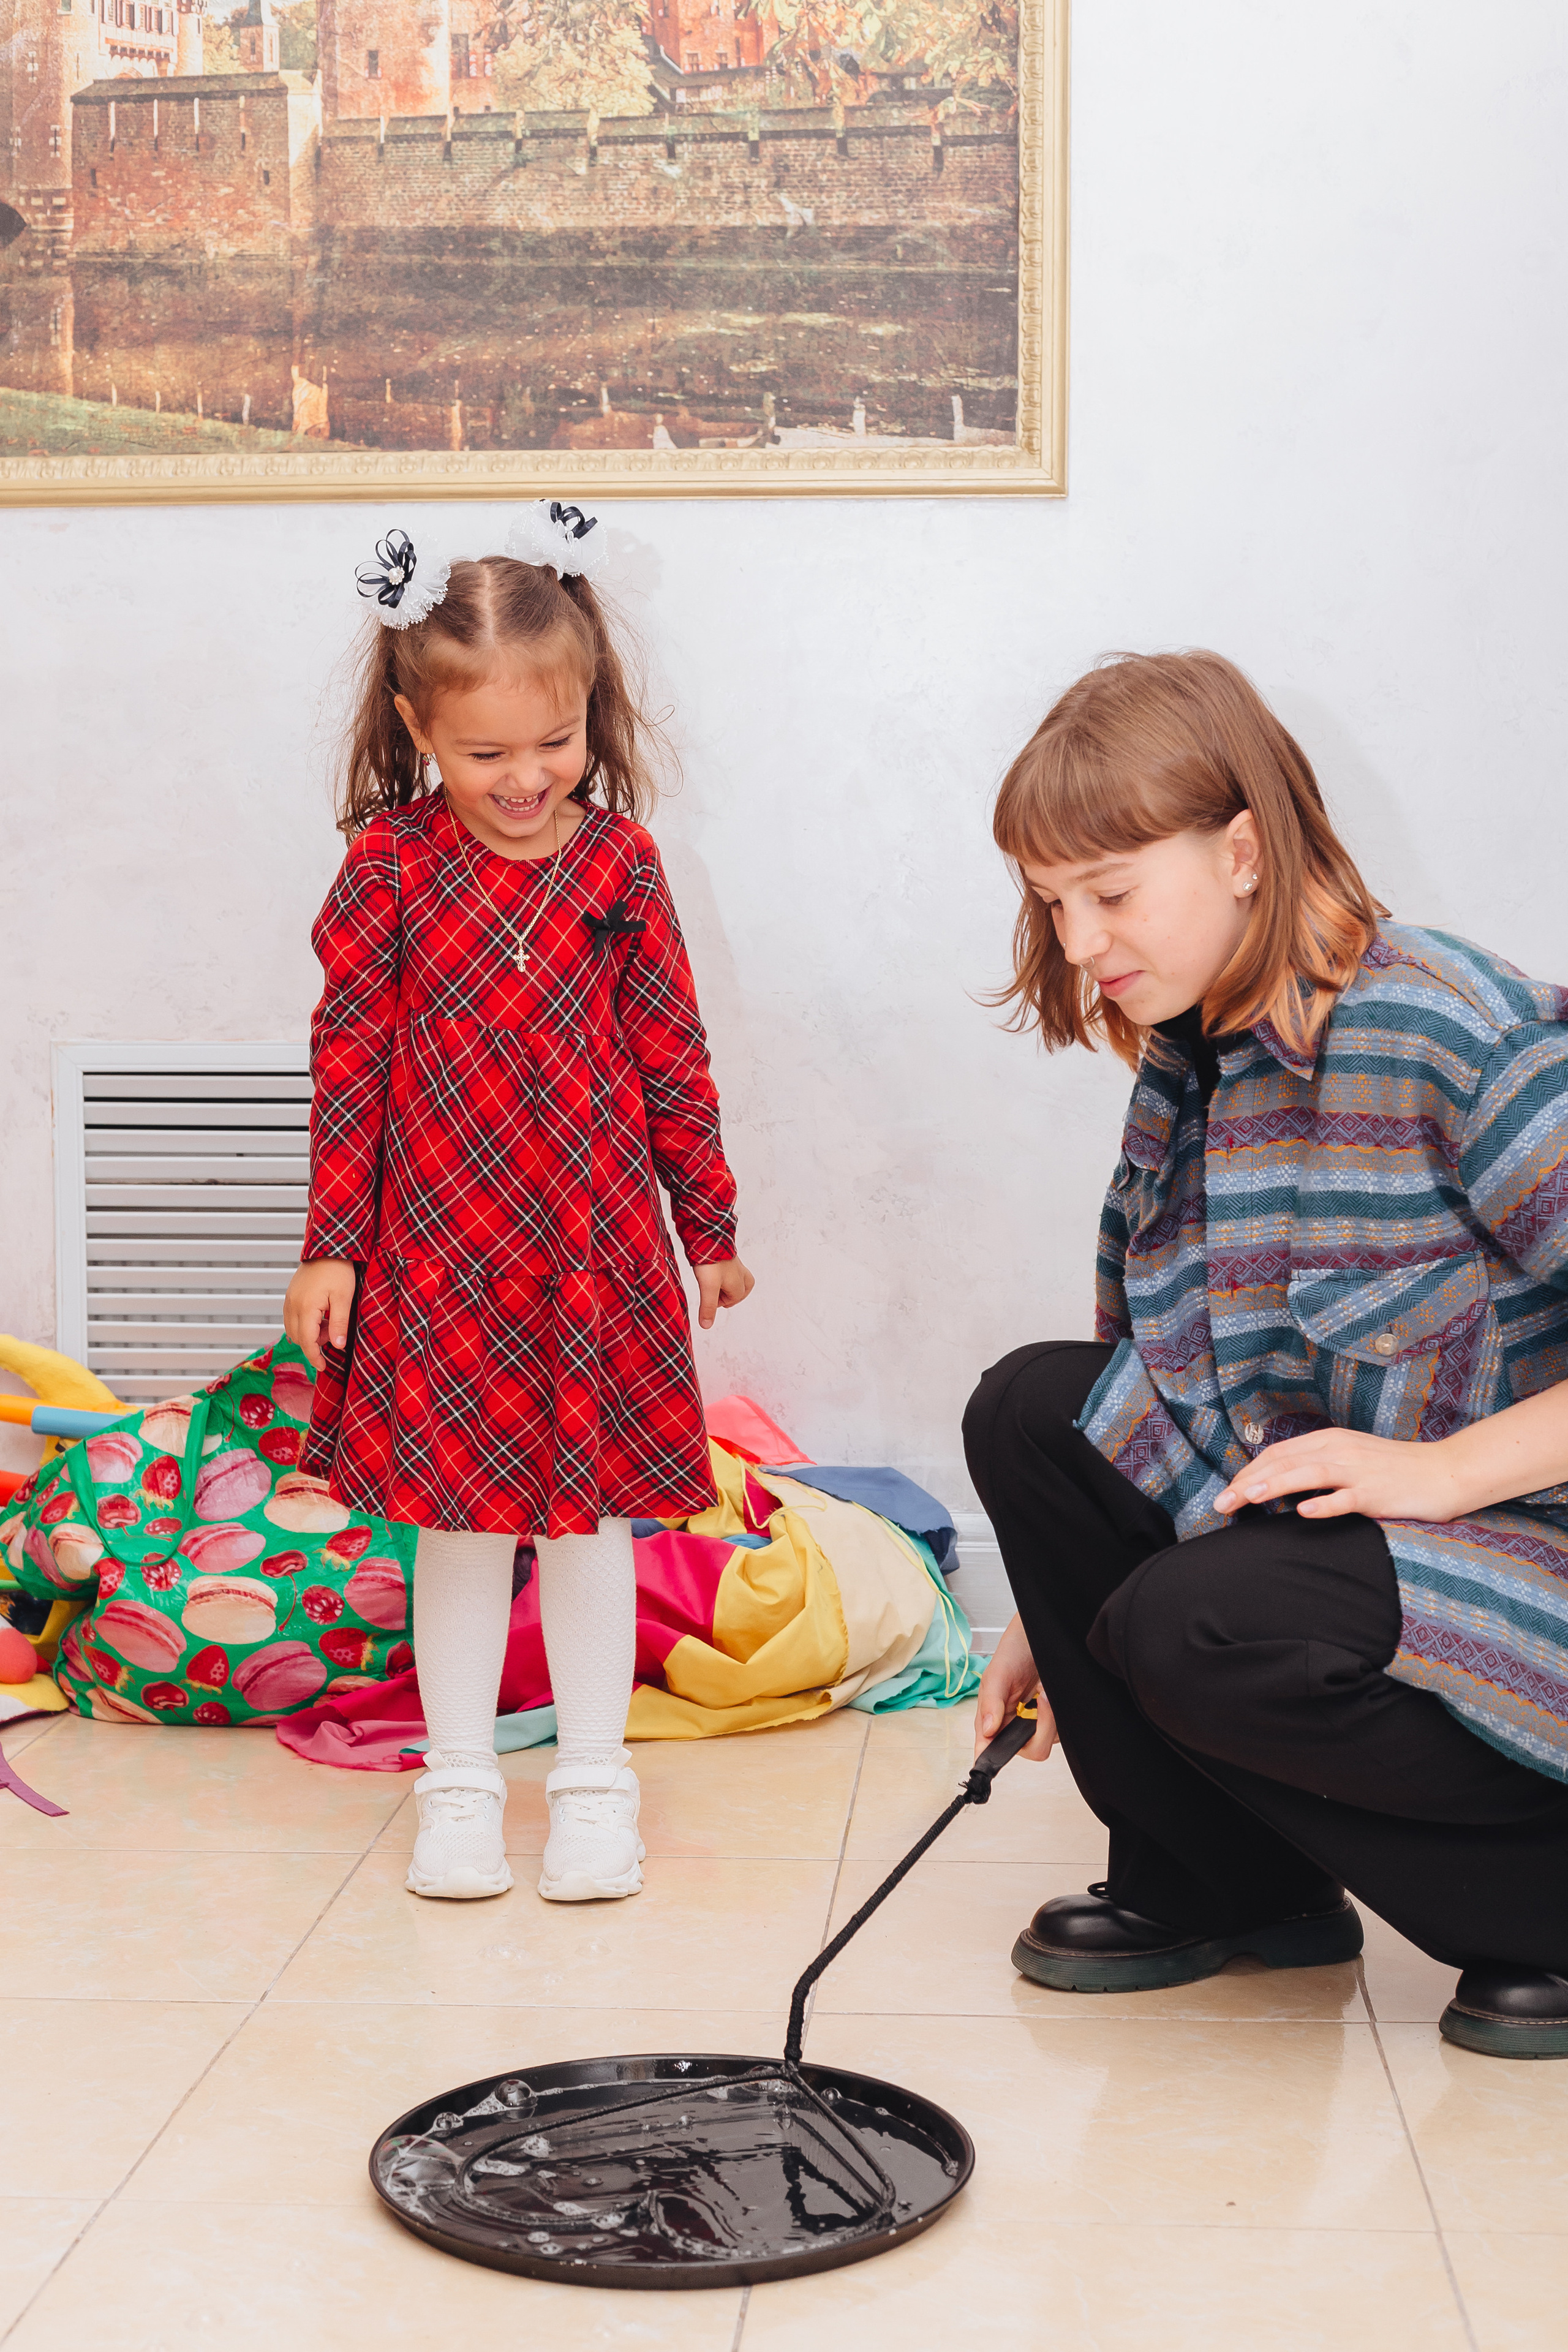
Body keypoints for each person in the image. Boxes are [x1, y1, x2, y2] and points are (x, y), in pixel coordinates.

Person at [966, 650, 1568, 2059]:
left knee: (1198, 1624)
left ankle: (1545, 1907)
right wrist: (1043, 1617)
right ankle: (1225, 1890)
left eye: (1107, 895)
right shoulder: (1187, 1059)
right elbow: (1143, 1382)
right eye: (1052, 906)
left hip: (1518, 1540)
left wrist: (1440, 1472)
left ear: (1241, 850)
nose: (1076, 945)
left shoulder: (1455, 1033)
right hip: (1341, 1529)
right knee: (1028, 1412)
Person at [283, 503, 753, 1905]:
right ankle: (461, 1784)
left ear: (590, 713)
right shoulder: (389, 871)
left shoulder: (621, 867)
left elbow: (671, 1049)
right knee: (458, 1528)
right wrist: (331, 1246)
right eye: (487, 753)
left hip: (593, 1253)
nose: (527, 777)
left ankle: (596, 1783)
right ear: (421, 727)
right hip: (437, 1255)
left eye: (554, 744)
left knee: (590, 1523)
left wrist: (709, 1225)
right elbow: (348, 1061)